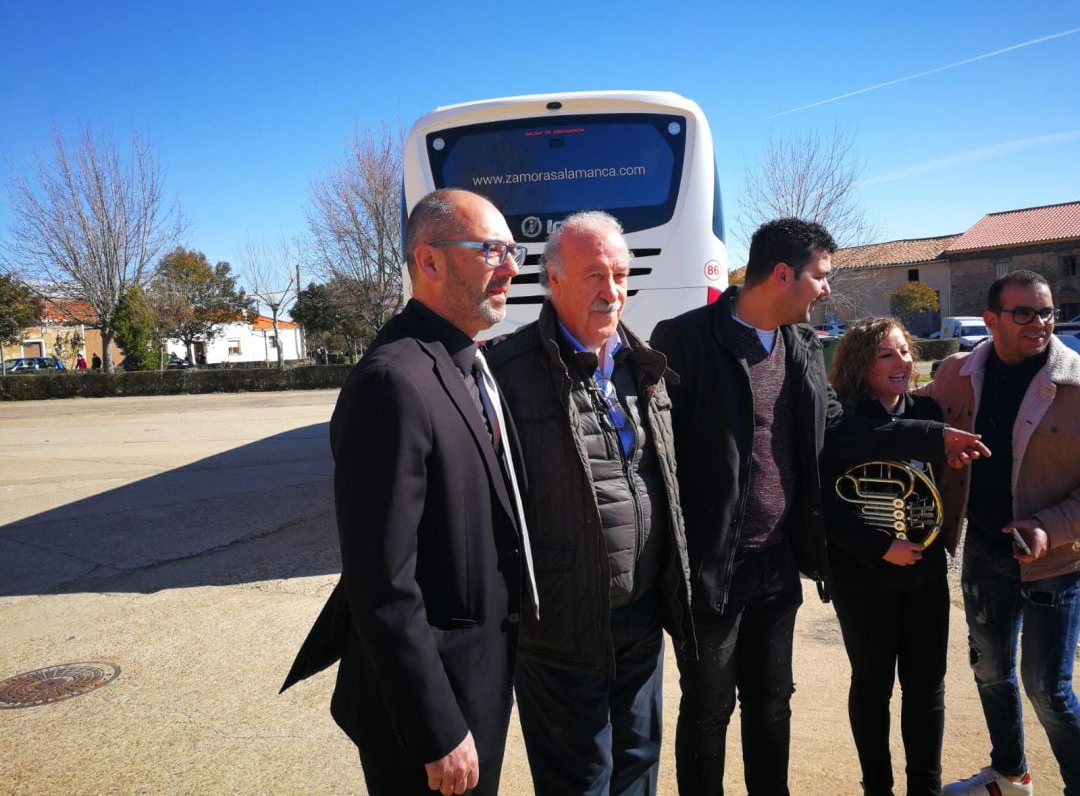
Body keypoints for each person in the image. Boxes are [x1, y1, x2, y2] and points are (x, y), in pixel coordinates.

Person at [649, 217, 989, 795]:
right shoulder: (683, 339)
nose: (827, 289)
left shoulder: (802, 345)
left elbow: (840, 432)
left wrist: (932, 438)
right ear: (782, 274)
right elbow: (660, 455)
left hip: (778, 563)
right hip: (712, 566)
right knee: (709, 707)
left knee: (772, 703)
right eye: (820, 276)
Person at [280, 189, 537, 796]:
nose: (511, 266)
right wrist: (436, 728)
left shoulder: (464, 362)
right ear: (429, 261)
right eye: (491, 250)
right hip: (433, 702)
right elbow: (381, 582)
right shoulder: (392, 382)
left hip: (478, 671)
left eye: (513, 250)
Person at [486, 212, 694, 796]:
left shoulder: (641, 364)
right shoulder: (506, 371)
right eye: (594, 275)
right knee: (580, 784)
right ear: (554, 281)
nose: (612, 291)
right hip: (561, 628)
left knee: (638, 770)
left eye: (621, 275)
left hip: (642, 618)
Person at [921, 270, 1080, 796]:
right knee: (990, 673)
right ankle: (1010, 776)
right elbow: (905, 414)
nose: (1040, 323)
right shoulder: (955, 374)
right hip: (985, 549)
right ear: (991, 320)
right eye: (1024, 313)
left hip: (1056, 561)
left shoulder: (1076, 384)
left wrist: (1047, 528)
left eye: (1046, 312)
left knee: (1048, 689)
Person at [824, 318, 949, 796]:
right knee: (873, 683)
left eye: (905, 352)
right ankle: (877, 786)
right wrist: (881, 548)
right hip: (863, 576)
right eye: (887, 355)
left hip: (926, 571)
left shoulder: (928, 408)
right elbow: (827, 504)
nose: (903, 362)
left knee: (927, 684)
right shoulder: (845, 422)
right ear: (861, 364)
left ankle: (926, 787)